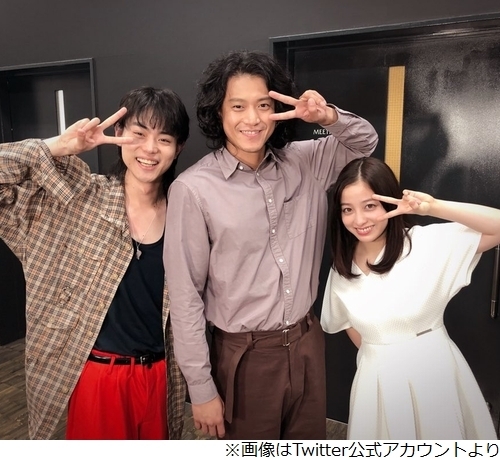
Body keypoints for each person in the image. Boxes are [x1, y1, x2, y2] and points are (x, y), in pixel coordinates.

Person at [163, 50, 378, 440]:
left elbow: (364, 142)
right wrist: (201, 387)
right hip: (243, 356)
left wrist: (327, 116)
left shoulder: (305, 162)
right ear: (218, 112)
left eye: (263, 105)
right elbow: (184, 295)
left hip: (306, 342)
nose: (252, 118)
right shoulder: (193, 189)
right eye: (238, 106)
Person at [0, 86, 189, 440]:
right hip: (97, 377)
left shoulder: (186, 215)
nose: (150, 149)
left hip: (161, 378)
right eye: (138, 134)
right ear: (118, 133)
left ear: (177, 148)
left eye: (164, 139)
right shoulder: (80, 199)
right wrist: (55, 147)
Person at [320, 156, 499, 440]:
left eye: (370, 206)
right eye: (347, 210)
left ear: (388, 203)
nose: (359, 220)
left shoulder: (424, 243)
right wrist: (380, 350)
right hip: (374, 379)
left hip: (432, 370)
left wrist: (433, 206)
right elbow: (344, 321)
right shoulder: (342, 266)